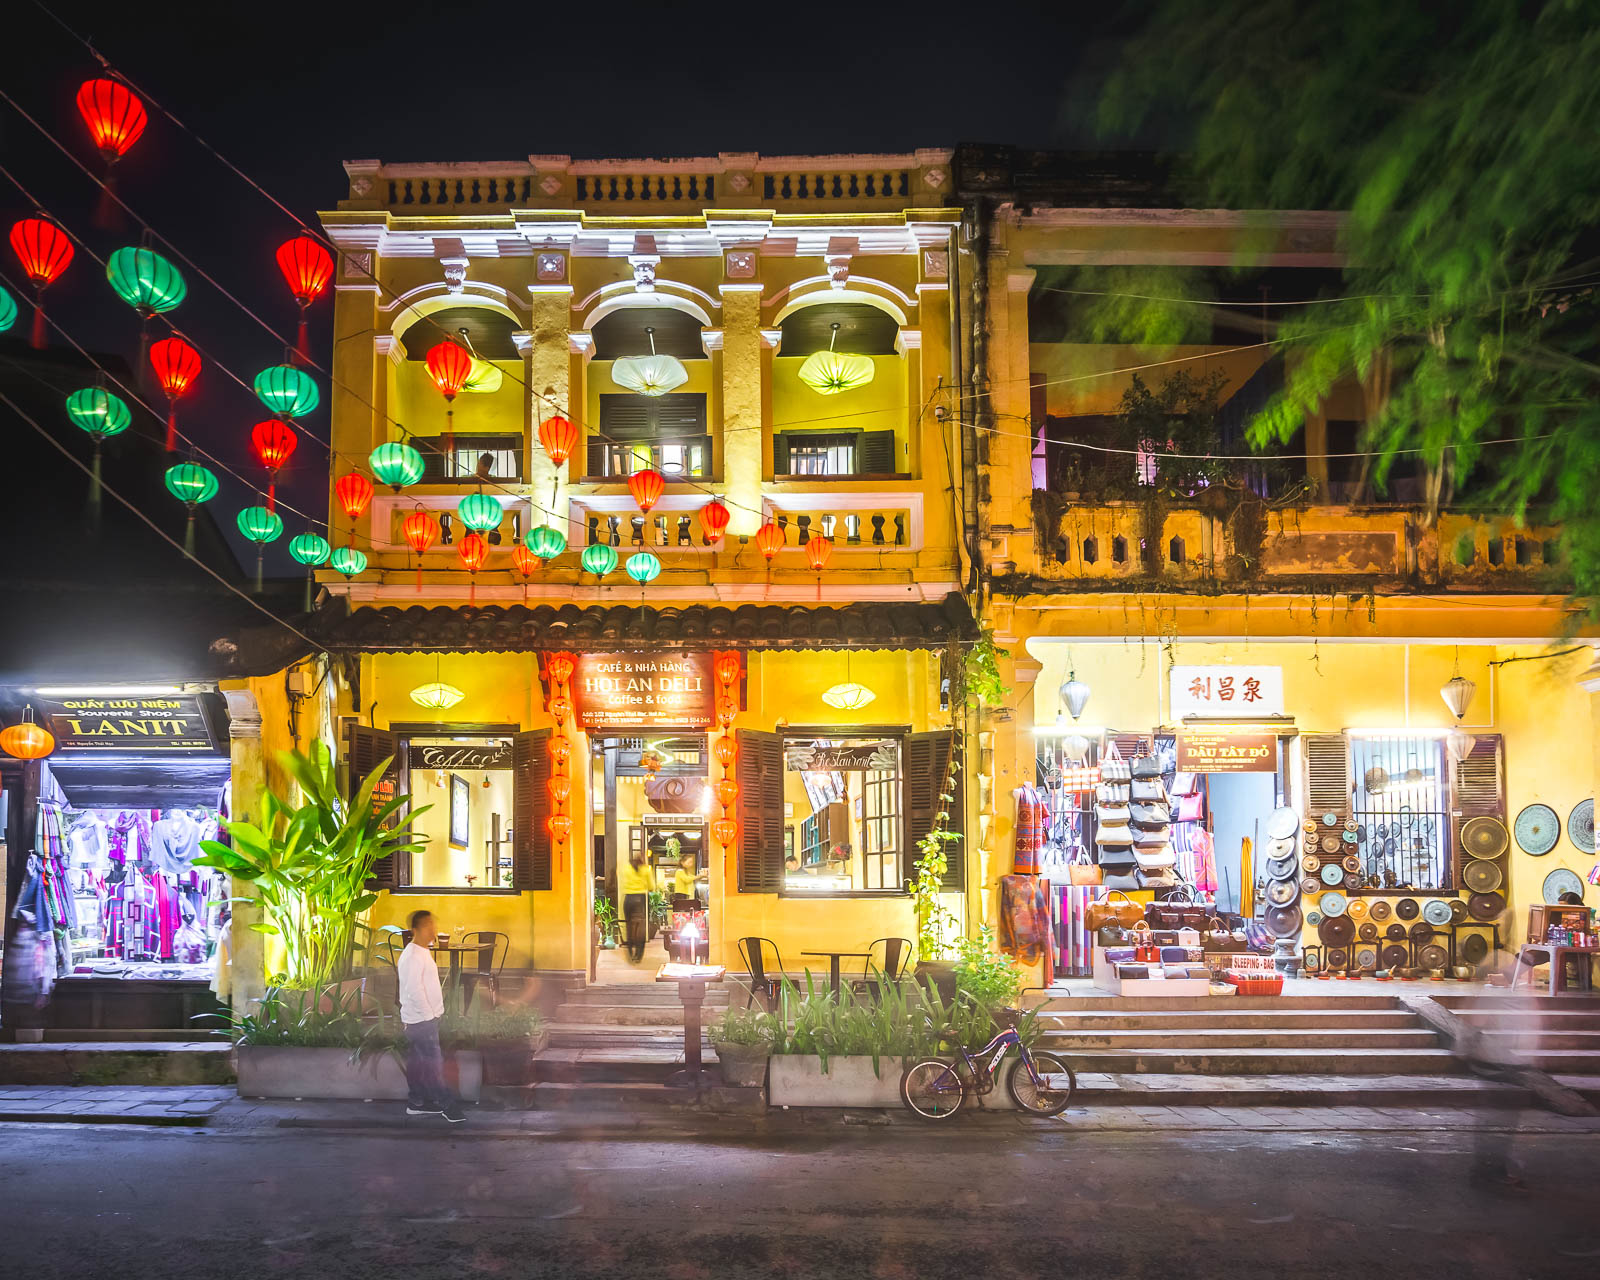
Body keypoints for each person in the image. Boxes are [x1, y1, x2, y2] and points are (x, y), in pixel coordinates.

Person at [397, 909, 464, 1122]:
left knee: (418, 1062)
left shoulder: (421, 952)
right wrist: (429, 1016)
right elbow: (414, 990)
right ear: (415, 930)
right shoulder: (413, 956)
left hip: (420, 1019)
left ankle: (416, 1102)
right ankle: (446, 1105)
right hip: (421, 1020)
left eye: (433, 924)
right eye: (427, 926)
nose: (432, 929)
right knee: (434, 1063)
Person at [617, 848, 657, 964]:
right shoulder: (645, 869)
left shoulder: (626, 868)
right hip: (640, 898)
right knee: (640, 927)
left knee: (630, 926)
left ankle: (630, 952)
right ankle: (639, 955)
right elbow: (651, 886)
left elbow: (621, 880)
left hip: (628, 899)